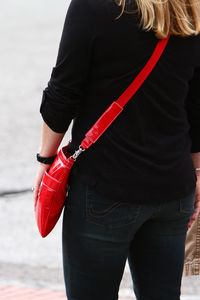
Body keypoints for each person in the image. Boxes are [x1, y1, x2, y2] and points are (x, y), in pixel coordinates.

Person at [33, 0, 200, 299]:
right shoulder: (190, 7)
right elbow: (196, 105)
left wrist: (46, 159)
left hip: (105, 187)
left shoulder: (94, 6)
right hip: (174, 187)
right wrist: (197, 172)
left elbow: (62, 93)